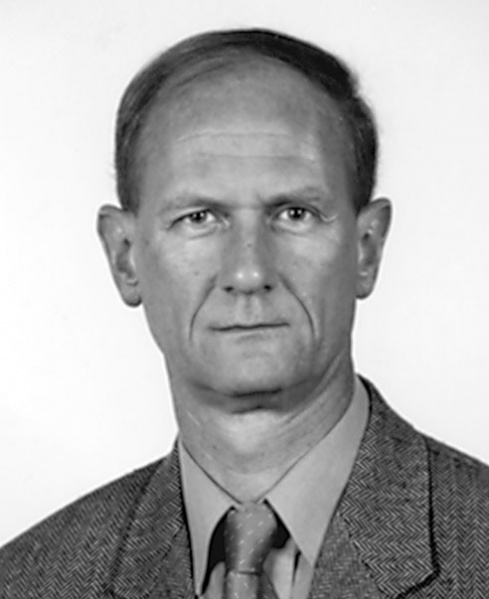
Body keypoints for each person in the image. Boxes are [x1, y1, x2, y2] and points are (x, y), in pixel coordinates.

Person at [1, 27, 489, 599]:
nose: (249, 272)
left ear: (367, 248)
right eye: (199, 218)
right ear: (125, 256)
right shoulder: (27, 582)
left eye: (295, 213)